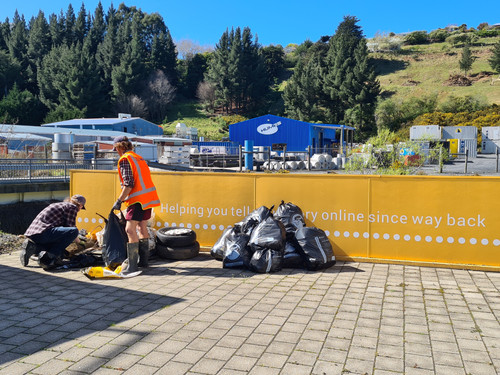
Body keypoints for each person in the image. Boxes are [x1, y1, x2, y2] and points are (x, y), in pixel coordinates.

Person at [112, 136, 160, 273]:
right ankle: (144, 262)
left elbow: (128, 184)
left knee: (130, 230)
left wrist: (119, 201)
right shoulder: (138, 158)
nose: (116, 151)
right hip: (148, 198)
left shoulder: (125, 160)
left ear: (120, 147)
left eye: (116, 148)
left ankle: (132, 266)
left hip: (137, 199)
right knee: (142, 227)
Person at [22, 195, 87, 270]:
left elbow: (63, 230)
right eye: (81, 208)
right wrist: (80, 243)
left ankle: (32, 247)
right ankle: (51, 257)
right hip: (44, 233)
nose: (79, 210)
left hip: (34, 235)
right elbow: (71, 229)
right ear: (80, 205)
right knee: (74, 231)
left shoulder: (59, 205)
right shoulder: (72, 207)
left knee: (58, 247)